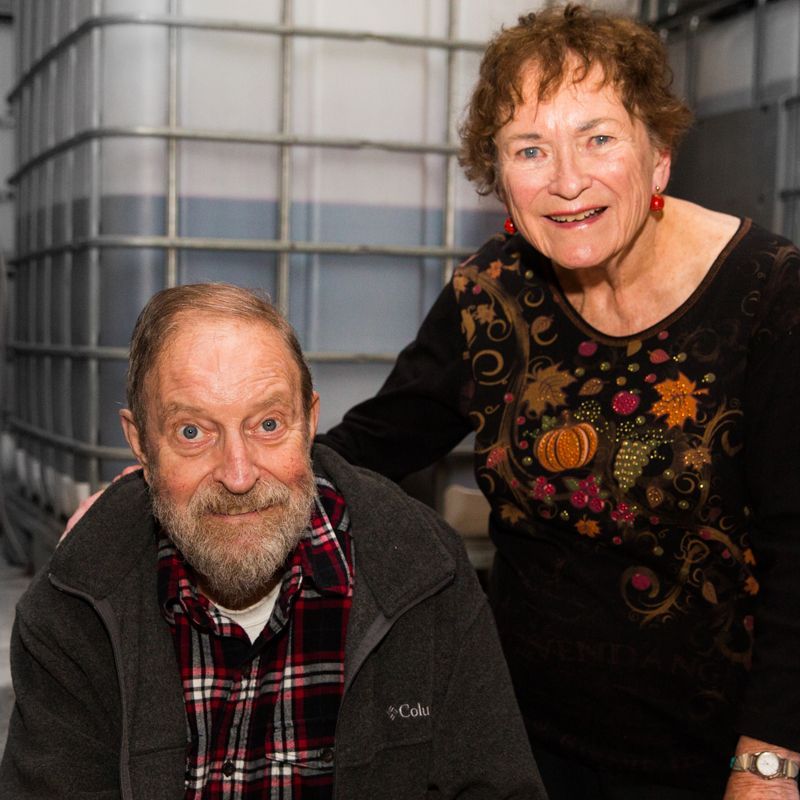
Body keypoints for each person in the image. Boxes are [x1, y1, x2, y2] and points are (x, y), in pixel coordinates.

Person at [317, 5, 800, 800]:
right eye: (530, 148)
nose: (567, 179)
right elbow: (372, 442)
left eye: (599, 137)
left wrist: (770, 758)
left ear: (659, 156)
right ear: (499, 175)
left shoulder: (767, 292)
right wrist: (190, 481)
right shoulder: (489, 294)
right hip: (515, 744)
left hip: (718, 759)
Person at [0, 283, 545, 800]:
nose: (238, 474)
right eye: (193, 432)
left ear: (309, 421)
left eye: (267, 425)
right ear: (140, 443)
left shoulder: (426, 578)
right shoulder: (74, 607)